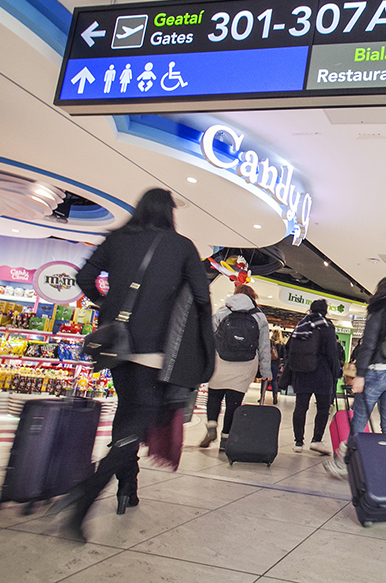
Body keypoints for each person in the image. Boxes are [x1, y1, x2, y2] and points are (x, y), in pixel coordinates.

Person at [62, 188, 213, 540]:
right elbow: (202, 297)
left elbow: (84, 278)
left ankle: (127, 486)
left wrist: (107, 305)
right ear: (169, 213)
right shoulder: (181, 247)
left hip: (117, 348)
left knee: (127, 415)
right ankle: (83, 497)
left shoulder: (117, 239)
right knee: (134, 428)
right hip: (153, 352)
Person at [324, 275, 386, 478]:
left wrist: (361, 375)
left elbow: (368, 344)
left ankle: (345, 464)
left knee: (359, 419)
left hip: (377, 373)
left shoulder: (380, 309)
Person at [200, 284, 271, 450]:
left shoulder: (223, 311)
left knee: (215, 394)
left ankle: (211, 425)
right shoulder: (260, 317)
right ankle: (226, 438)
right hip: (245, 364)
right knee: (234, 401)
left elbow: (209, 337)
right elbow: (264, 347)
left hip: (220, 360)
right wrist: (266, 372)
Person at [283, 299, 341, 454]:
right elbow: (332, 353)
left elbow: (288, 348)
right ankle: (316, 440)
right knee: (323, 408)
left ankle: (298, 442)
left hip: (301, 372)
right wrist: (337, 372)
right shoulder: (327, 326)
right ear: (325, 311)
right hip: (322, 373)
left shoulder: (301, 325)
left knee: (300, 407)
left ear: (310, 309)